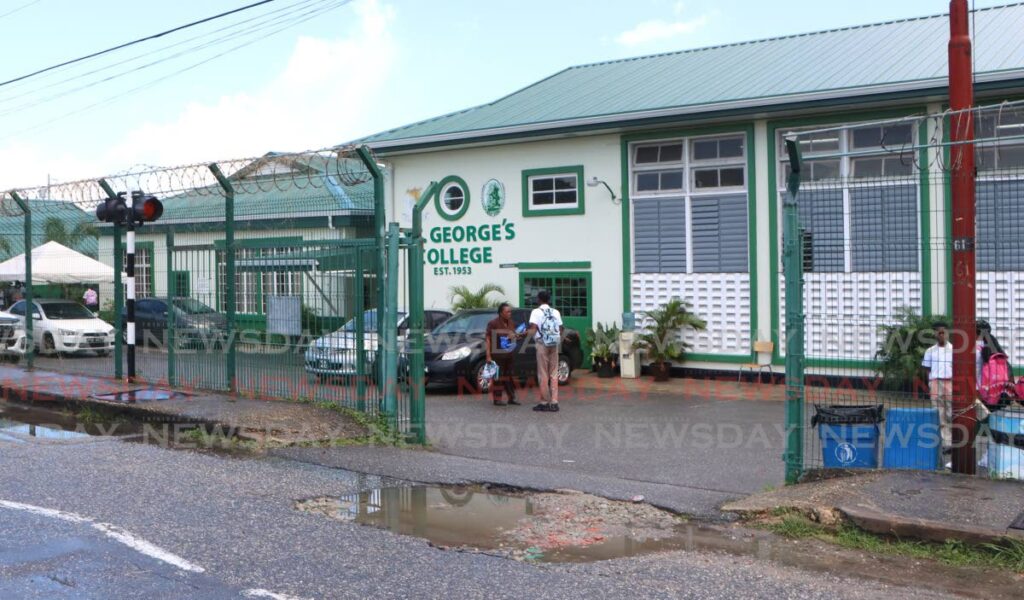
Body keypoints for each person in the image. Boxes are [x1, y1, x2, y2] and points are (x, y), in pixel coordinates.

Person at [525, 290, 563, 412]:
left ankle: (544, 402)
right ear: (549, 299)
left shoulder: (536, 312)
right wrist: (555, 338)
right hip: (554, 344)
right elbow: (561, 328)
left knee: (543, 374)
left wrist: (521, 335)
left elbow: (533, 329)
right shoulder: (555, 312)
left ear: (539, 299)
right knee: (553, 373)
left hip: (542, 344)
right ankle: (554, 402)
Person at [921, 321, 953, 452]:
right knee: (939, 413)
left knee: (951, 412)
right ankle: (946, 443)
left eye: (943, 332)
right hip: (935, 382)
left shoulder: (954, 350)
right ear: (934, 334)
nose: (941, 335)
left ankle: (955, 440)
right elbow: (927, 368)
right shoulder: (930, 351)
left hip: (950, 382)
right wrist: (931, 382)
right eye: (938, 332)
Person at [485, 302, 521, 406]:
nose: (510, 313)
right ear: (501, 313)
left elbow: (513, 336)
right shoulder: (493, 323)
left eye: (510, 311)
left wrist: (515, 336)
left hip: (509, 354)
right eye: (507, 311)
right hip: (497, 355)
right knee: (498, 377)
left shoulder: (511, 323)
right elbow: (487, 339)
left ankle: (511, 398)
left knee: (509, 377)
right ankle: (497, 399)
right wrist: (488, 355)